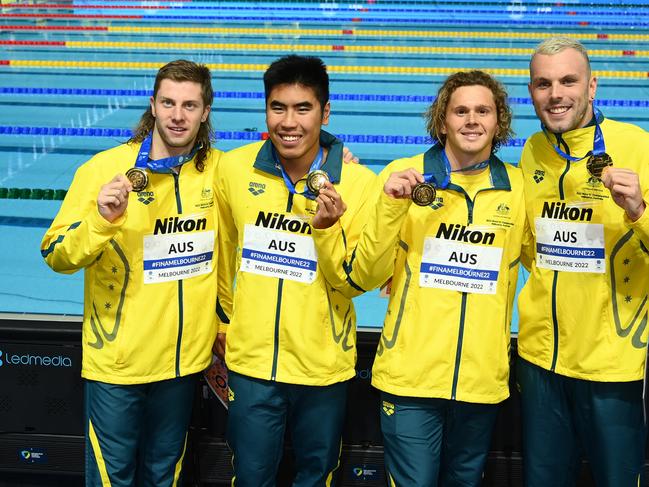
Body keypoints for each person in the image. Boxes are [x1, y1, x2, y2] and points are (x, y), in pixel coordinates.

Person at [321, 70, 525, 485]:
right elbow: (364, 274)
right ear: (442, 119)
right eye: (461, 110)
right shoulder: (404, 175)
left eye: (483, 110)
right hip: (410, 378)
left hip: (480, 381)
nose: (472, 120)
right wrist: (391, 205)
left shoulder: (518, 188)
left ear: (498, 120)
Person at [40, 59, 220, 486]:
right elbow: (55, 253)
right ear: (153, 105)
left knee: (165, 476)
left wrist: (336, 157)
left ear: (205, 112)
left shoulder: (219, 172)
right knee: (111, 479)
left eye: (190, 105)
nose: (178, 115)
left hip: (181, 363)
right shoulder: (103, 170)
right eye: (169, 103)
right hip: (118, 363)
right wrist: (102, 220)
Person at [213, 54, 377, 486]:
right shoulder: (233, 169)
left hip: (323, 365)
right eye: (278, 107)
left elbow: (357, 278)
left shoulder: (360, 185)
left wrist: (330, 229)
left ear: (325, 112)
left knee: (317, 477)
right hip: (252, 365)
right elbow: (220, 254)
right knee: (249, 477)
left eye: (303, 109)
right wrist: (222, 323)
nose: (289, 122)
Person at [516, 36, 649, 486]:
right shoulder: (533, 150)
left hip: (611, 364)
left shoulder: (637, 145)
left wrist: (639, 213)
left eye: (569, 81)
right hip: (540, 359)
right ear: (531, 91)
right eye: (543, 83)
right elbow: (526, 243)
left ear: (592, 86)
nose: (556, 94)